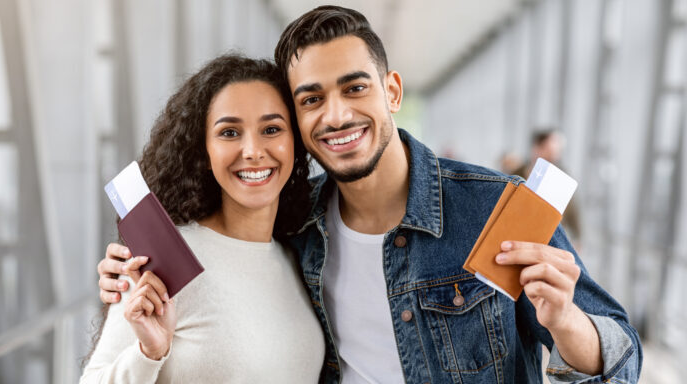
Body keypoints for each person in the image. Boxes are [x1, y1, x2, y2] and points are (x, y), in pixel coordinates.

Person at [96, 6, 642, 383]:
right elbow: (225, 265)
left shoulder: (494, 208)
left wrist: (566, 322)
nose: (336, 116)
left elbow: (624, 360)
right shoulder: (294, 227)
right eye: (311, 99)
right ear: (297, 119)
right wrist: (126, 272)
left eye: (354, 88)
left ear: (392, 91)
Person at [81, 54, 325, 383]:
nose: (252, 150)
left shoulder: (301, 255)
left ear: (294, 142)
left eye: (271, 129)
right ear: (205, 152)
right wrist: (148, 354)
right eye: (229, 133)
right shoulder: (167, 257)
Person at [514, 129, 582, 244]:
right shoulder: (517, 173)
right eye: (549, 150)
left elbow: (572, 209)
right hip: (518, 234)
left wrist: (577, 237)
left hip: (550, 239)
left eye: (557, 151)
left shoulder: (562, 177)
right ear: (537, 148)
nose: (554, 155)